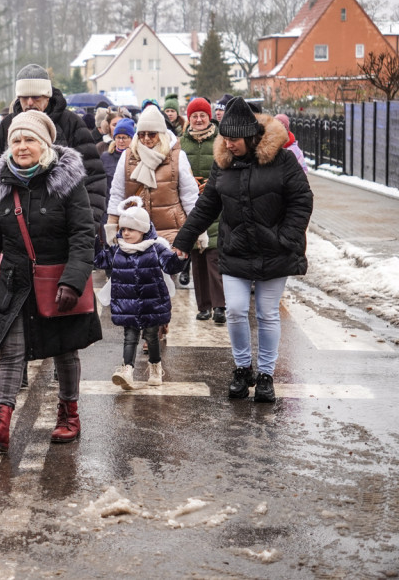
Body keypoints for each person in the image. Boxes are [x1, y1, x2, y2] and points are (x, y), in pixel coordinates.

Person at [0, 110, 102, 452]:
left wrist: (73, 280)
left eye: (30, 140)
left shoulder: (67, 182)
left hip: (58, 280)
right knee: (10, 351)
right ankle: (0, 423)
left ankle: (69, 415)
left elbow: (83, 234)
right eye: (16, 140)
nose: (22, 146)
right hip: (16, 282)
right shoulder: (1, 187)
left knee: (64, 351)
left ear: (44, 144)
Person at [172, 98, 313, 403]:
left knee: (266, 313)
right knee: (236, 310)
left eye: (233, 139)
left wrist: (287, 236)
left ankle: (265, 375)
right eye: (224, 138)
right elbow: (206, 206)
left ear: (250, 137)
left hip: (275, 250)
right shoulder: (223, 165)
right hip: (236, 249)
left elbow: (302, 200)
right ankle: (242, 368)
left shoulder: (283, 160)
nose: (228, 144)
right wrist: (184, 240)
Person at [0, 64, 109, 232]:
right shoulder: (7, 126)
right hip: (18, 228)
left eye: (36, 97)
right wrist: (4, 217)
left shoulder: (71, 124)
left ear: (47, 96)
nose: (29, 102)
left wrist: (88, 224)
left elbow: (94, 177)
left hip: (66, 228)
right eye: (24, 97)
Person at [95, 197, 187, 390]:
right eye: (123, 229)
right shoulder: (117, 250)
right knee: (130, 337)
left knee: (151, 337)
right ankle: (127, 369)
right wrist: (94, 241)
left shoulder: (155, 248)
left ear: (143, 230)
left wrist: (179, 258)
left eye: (131, 229)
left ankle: (155, 367)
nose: (126, 233)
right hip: (127, 304)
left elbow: (170, 265)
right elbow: (100, 260)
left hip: (152, 303)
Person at [106, 104, 200, 246]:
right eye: (142, 134)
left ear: (161, 134)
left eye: (151, 134)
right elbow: (117, 193)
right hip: (134, 233)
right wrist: (112, 226)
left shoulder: (178, 157)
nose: (146, 138)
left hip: (172, 233)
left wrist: (198, 230)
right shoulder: (127, 156)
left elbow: (189, 196)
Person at [180, 98, 227, 323]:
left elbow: (227, 169)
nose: (199, 120)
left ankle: (220, 305)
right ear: (189, 119)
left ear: (209, 117)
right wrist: (189, 182)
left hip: (216, 205)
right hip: (191, 204)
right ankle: (204, 306)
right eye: (194, 116)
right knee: (197, 257)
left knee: (214, 255)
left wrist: (211, 184)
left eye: (202, 115)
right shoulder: (181, 143)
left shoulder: (220, 141)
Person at [102, 118, 135, 193]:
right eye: (118, 137)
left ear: (131, 139)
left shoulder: (136, 157)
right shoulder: (106, 157)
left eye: (124, 138)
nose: (121, 141)